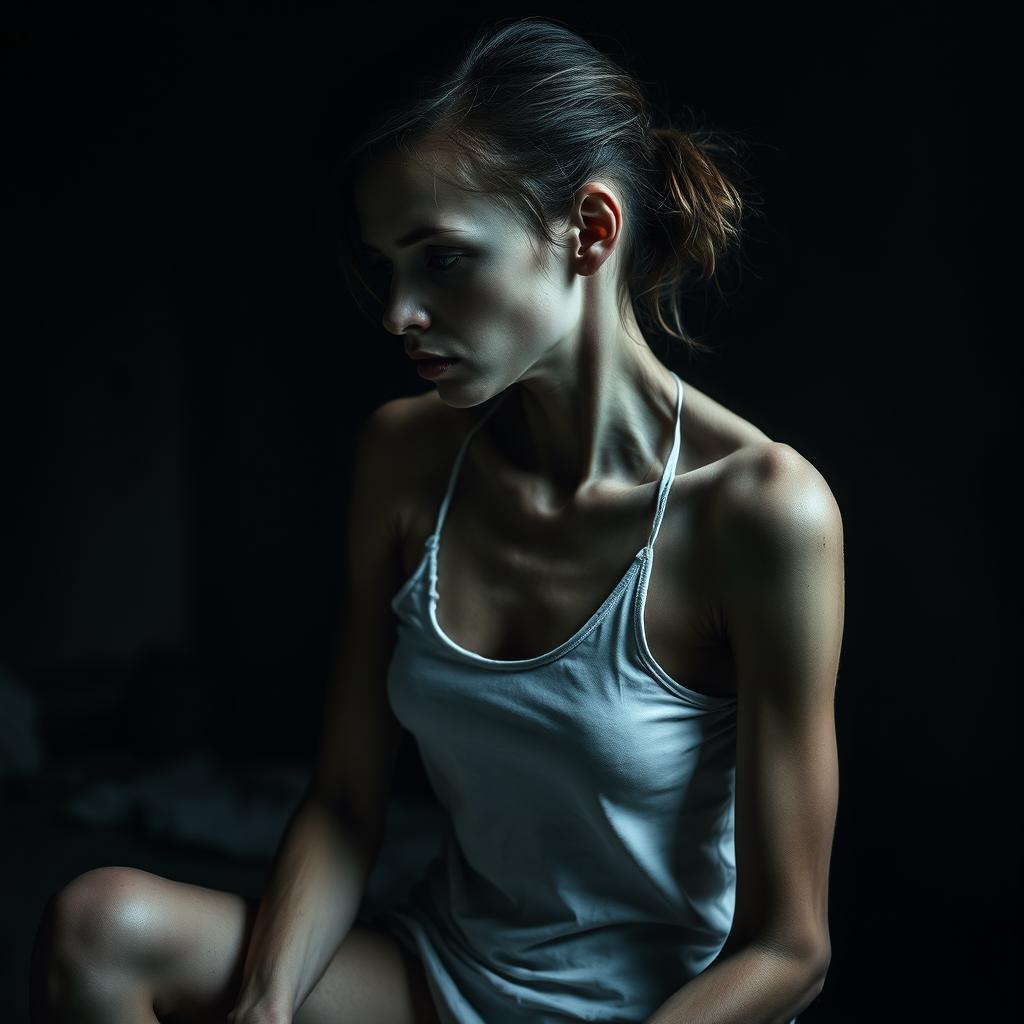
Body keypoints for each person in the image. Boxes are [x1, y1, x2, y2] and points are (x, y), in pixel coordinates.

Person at [30, 16, 842, 1024]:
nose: (397, 312)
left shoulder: (760, 510)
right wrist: (267, 1004)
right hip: (444, 975)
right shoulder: (406, 457)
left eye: (443, 261)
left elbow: (788, 948)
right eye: (385, 267)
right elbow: (343, 800)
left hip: (659, 1012)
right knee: (100, 930)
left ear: (588, 232)